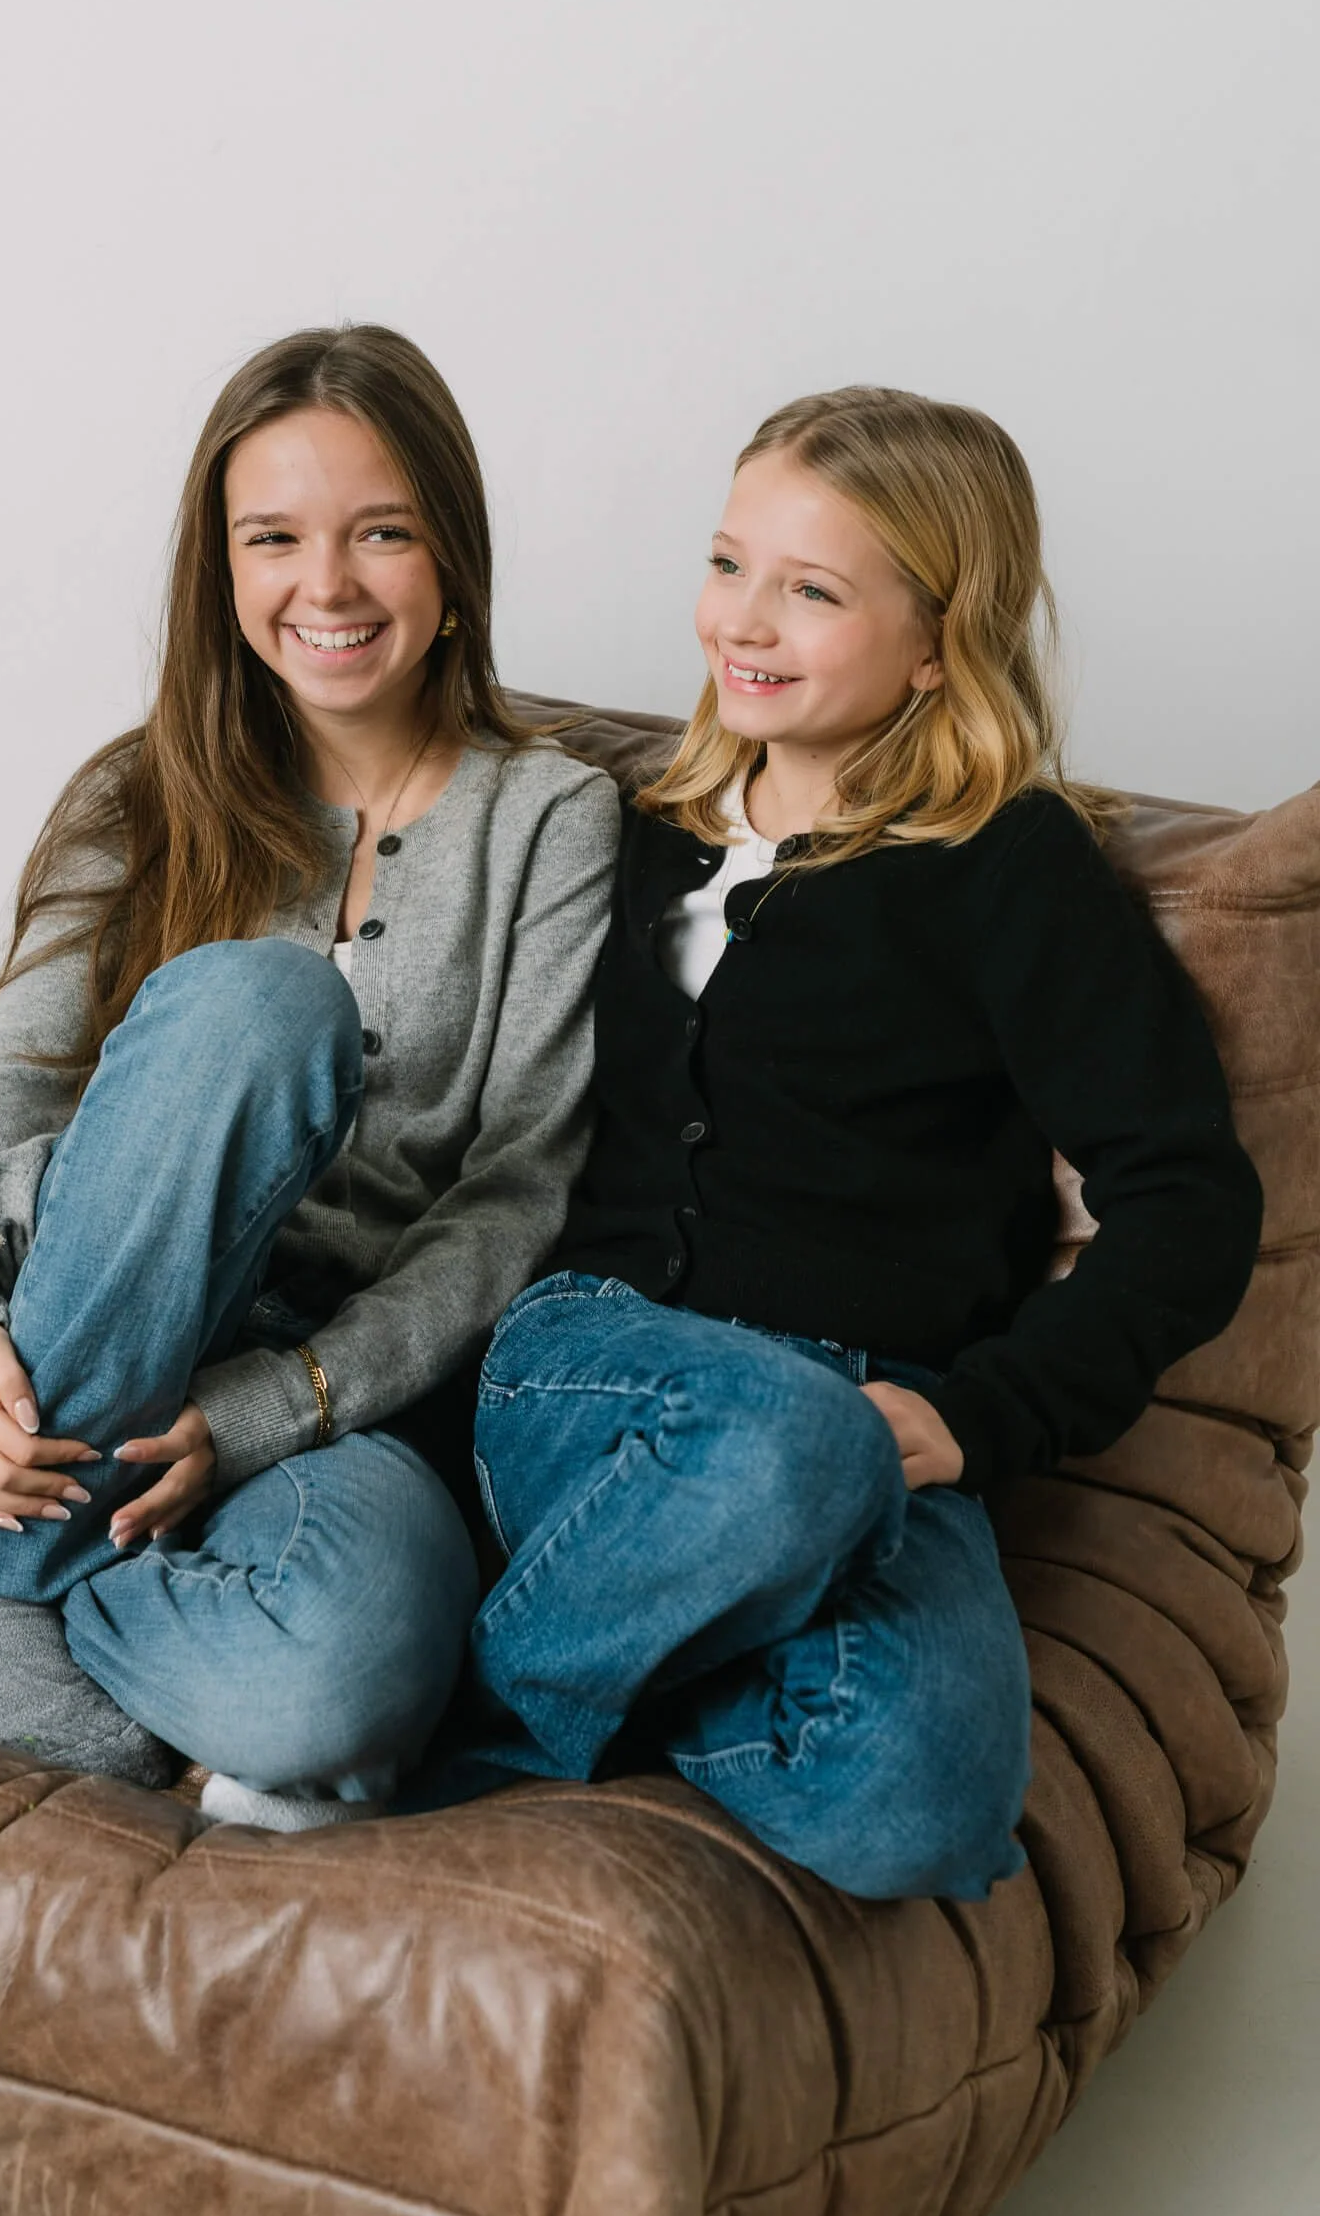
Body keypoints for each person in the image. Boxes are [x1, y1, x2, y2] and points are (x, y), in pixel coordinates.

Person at [0, 323, 619, 1828]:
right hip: (99, 1317)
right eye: (275, 539)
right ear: (222, 572)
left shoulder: (554, 818)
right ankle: (25, 1523)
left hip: (329, 1398)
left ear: (453, 556)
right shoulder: (136, 792)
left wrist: (280, 1406)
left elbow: (518, 1187)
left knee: (348, 1677)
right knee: (261, 1007)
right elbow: (5, 1108)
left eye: (382, 534)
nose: (329, 586)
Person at [413, 384, 1262, 1901]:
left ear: (941, 639)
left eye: (813, 590)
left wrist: (987, 1418)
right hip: (592, 1364)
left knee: (924, 1796)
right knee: (780, 1437)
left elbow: (1188, 1199)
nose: (746, 620)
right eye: (731, 563)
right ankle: (463, 1751)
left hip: (875, 1424)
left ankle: (594, 1646)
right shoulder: (622, 832)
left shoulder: (1012, 869)